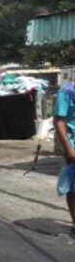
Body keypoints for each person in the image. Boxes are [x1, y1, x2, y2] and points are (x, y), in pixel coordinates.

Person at [54, 75, 75, 237]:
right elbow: (59, 121)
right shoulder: (66, 92)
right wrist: (68, 148)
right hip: (73, 142)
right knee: (74, 188)